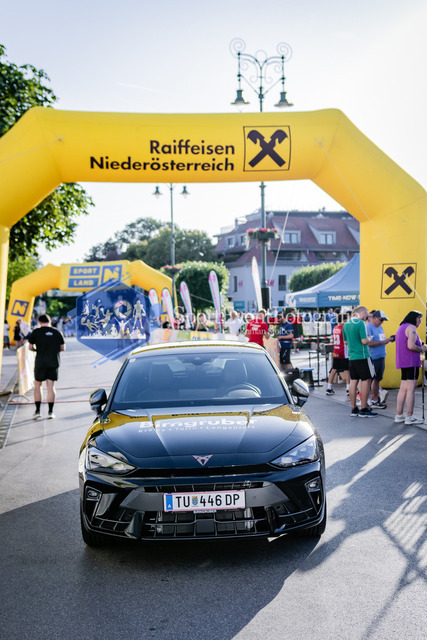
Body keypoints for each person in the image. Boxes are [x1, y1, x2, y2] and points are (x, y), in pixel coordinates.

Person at [27, 314, 65, 420]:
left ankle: (37, 411)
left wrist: (37, 350)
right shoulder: (57, 332)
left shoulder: (36, 332)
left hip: (40, 362)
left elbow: (30, 347)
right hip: (53, 361)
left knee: (38, 386)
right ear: (49, 321)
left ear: (39, 322)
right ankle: (50, 412)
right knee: (51, 386)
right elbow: (63, 348)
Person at [343, 306, 377, 418]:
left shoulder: (346, 324)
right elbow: (364, 341)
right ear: (362, 313)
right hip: (363, 356)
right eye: (366, 314)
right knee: (366, 381)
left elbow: (346, 342)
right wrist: (369, 338)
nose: (367, 316)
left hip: (352, 357)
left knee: (354, 381)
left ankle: (354, 409)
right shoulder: (361, 323)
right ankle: (363, 408)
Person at [394, 310, 427, 425]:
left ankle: (399, 415)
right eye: (419, 319)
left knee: (403, 388)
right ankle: (409, 416)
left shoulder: (402, 327)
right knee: (411, 389)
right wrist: (422, 348)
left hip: (404, 362)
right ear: (414, 318)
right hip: (411, 362)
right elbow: (411, 346)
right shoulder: (411, 327)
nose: (420, 321)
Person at [366, 310, 394, 408]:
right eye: (381, 320)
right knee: (371, 380)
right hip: (373, 357)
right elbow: (369, 343)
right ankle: (368, 400)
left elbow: (381, 340)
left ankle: (375, 400)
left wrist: (388, 340)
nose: (382, 322)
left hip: (381, 356)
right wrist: (384, 342)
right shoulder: (368, 327)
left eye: (383, 321)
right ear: (374, 318)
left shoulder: (380, 327)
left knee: (377, 379)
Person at [326, 312, 350, 396]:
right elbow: (346, 341)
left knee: (333, 369)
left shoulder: (335, 328)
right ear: (344, 320)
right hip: (343, 351)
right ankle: (348, 388)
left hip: (336, 351)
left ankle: (329, 387)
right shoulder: (344, 328)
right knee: (346, 370)